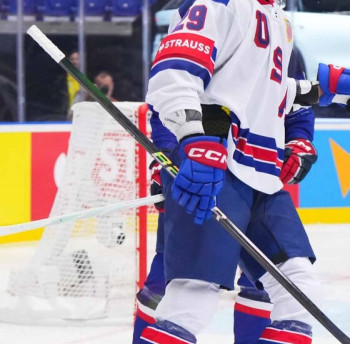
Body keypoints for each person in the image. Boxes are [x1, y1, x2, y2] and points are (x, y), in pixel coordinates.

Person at [139, 0, 350, 344]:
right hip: (219, 171)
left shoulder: (275, 17)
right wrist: (195, 141)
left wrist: (327, 86)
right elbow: (173, 76)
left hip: (262, 180)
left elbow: (267, 94)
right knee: (191, 299)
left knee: (299, 293)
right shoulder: (218, 0)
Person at [132, 47, 315, 344]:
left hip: (258, 175)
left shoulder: (280, 34)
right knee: (176, 284)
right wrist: (169, 157)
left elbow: (296, 103)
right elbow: (169, 100)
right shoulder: (214, 22)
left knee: (276, 285)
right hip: (203, 172)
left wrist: (300, 140)